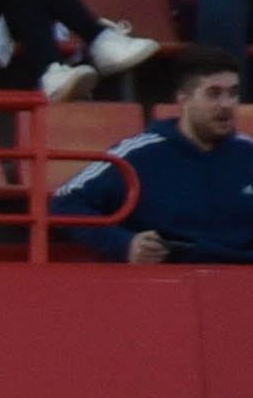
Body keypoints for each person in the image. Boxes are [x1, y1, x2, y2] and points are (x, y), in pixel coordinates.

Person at [59, 45, 253, 263]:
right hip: (165, 282)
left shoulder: (248, 154)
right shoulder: (139, 154)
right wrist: (124, 244)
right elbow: (65, 202)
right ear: (183, 99)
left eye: (233, 93)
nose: (227, 105)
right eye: (214, 94)